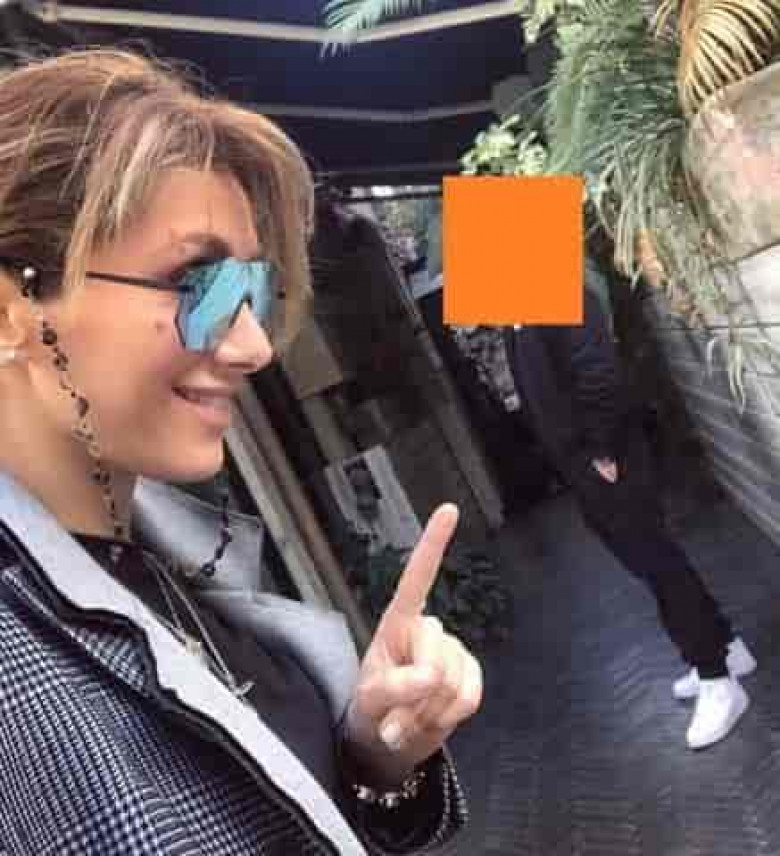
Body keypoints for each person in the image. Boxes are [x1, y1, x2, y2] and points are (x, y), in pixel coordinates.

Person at [0, 50, 482, 854]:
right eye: (199, 284)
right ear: (12, 313)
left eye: (249, 289)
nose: (254, 346)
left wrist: (377, 756)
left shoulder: (168, 563)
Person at [503, 264, 755, 750]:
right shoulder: (516, 312)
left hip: (608, 458)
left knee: (658, 564)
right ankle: (724, 646)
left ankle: (717, 678)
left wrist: (601, 450)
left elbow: (598, 370)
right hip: (585, 464)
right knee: (653, 560)